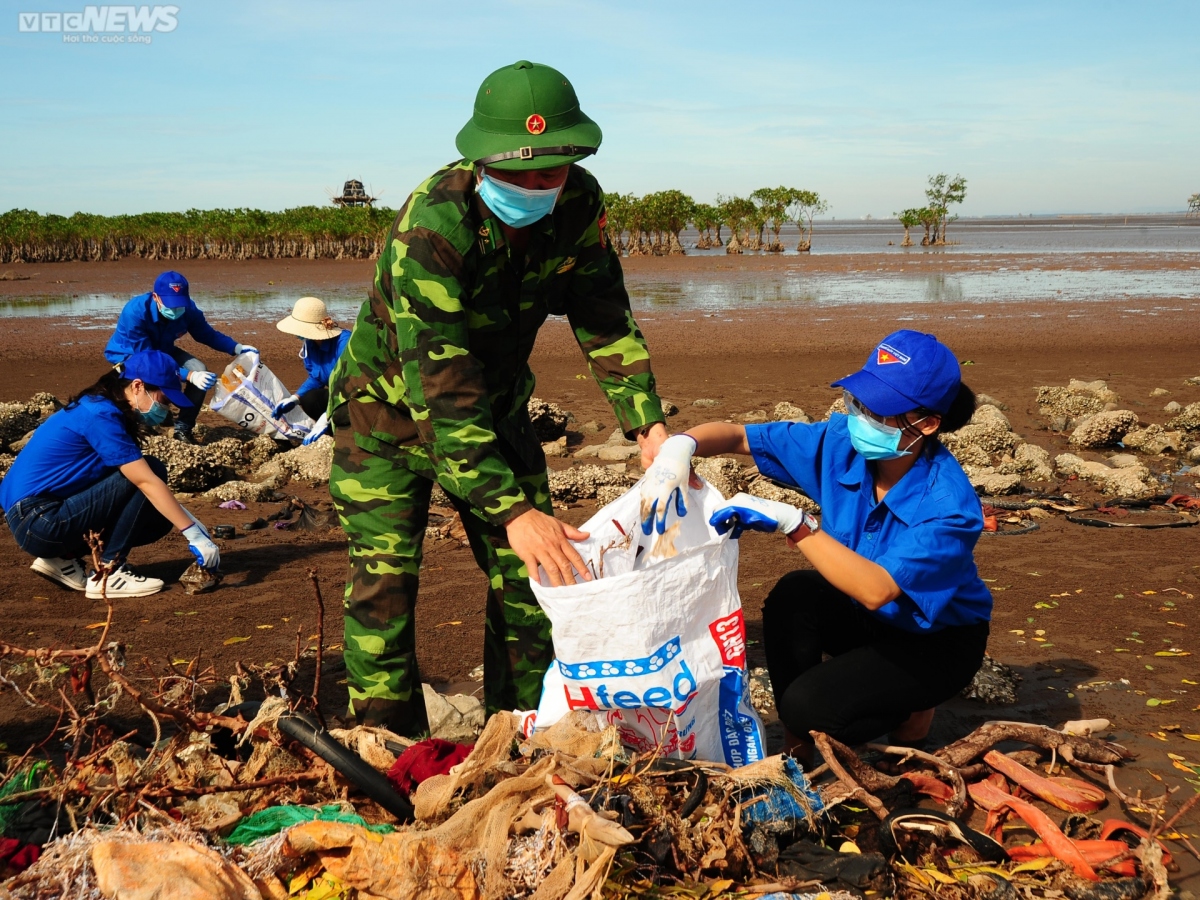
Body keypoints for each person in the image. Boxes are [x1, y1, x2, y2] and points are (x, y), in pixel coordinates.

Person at [327, 60, 668, 735]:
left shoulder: (577, 204)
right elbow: (442, 392)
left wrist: (646, 424)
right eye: (521, 173)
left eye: (554, 170)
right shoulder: (433, 230)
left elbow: (603, 315)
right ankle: (386, 748)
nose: (540, 186)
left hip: (498, 408)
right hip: (387, 420)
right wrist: (512, 512)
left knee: (538, 582)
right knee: (385, 588)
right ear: (482, 161)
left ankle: (518, 731)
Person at [641, 330, 991, 762]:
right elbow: (738, 437)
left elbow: (877, 589)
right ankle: (800, 745)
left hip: (934, 640)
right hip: (869, 617)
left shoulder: (948, 506)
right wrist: (681, 446)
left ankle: (909, 713)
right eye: (858, 402)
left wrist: (797, 524)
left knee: (810, 708)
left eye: (878, 410)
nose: (860, 416)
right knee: (794, 596)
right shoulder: (841, 443)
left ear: (926, 423)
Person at [2, 350, 221, 599]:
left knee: (159, 516)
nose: (166, 410)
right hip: (39, 521)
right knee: (152, 471)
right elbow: (144, 479)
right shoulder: (101, 415)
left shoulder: (100, 406)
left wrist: (193, 525)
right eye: (163, 400)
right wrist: (193, 534)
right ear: (138, 386)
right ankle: (110, 573)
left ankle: (62, 560)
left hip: (33, 518)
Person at [104, 270, 258, 444]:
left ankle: (183, 428)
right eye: (170, 305)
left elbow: (206, 334)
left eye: (179, 304)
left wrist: (237, 347)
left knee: (200, 370)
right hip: (131, 355)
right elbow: (147, 362)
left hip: (164, 351)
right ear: (156, 297)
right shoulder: (136, 312)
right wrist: (189, 376)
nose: (176, 309)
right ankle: (136, 426)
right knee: (144, 386)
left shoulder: (188, 309)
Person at [271, 296, 350, 445]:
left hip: (356, 397)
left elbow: (351, 386)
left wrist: (325, 417)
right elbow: (316, 378)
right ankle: (333, 434)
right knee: (310, 399)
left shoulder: (345, 344)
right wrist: (295, 398)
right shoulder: (311, 345)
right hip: (337, 395)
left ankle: (345, 432)